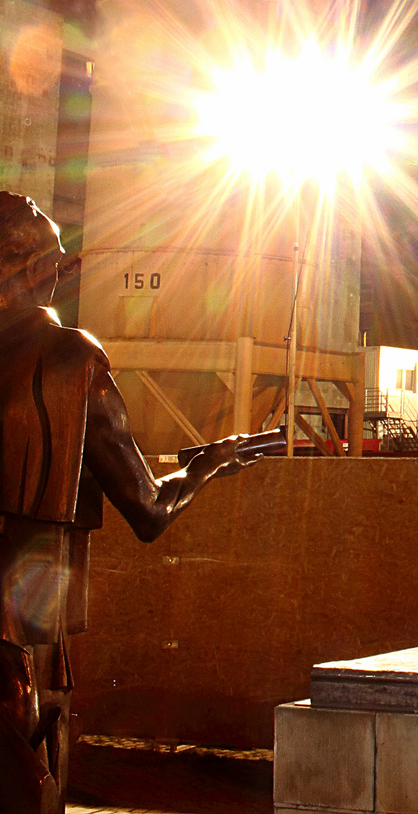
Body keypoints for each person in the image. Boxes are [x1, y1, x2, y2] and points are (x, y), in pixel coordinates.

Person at [0, 193, 264, 814]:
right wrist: (206, 468)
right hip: (16, 641)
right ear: (45, 271)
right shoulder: (71, 358)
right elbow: (147, 509)